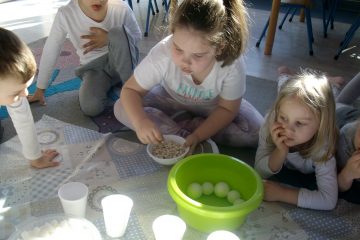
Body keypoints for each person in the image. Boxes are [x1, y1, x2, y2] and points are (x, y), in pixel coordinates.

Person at [114, 0, 264, 149]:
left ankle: (183, 128)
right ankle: (183, 132)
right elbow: (130, 90)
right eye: (178, 49)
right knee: (121, 107)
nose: (184, 61)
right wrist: (141, 122)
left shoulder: (232, 64)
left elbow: (228, 109)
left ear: (219, 48)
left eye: (198, 55)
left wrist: (199, 135)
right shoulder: (163, 53)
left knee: (257, 133)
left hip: (214, 107)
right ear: (172, 33)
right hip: (171, 99)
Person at [28, 0, 142, 117]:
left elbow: (137, 37)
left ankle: (131, 89)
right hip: (94, 69)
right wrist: (40, 88)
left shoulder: (121, 8)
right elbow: (51, 48)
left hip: (123, 61)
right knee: (90, 107)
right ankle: (112, 84)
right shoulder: (66, 14)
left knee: (118, 33)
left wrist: (109, 38)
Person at [255, 69, 338, 210]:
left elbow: (329, 200)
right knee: (285, 90)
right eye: (283, 118)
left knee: (336, 101)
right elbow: (259, 171)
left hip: (341, 115)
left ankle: (333, 84)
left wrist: (282, 194)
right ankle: (284, 75)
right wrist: (280, 152)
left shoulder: (323, 146)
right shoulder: (271, 122)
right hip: (286, 101)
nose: (287, 129)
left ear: (321, 125)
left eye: (299, 123)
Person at [0, 27, 59, 169]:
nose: (25, 94)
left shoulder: (13, 87)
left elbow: (23, 120)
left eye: (26, 86)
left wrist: (35, 157)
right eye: (15, 93)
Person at [335, 72, 360, 204]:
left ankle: (334, 83)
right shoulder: (346, 143)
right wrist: (347, 174)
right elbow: (335, 188)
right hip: (338, 116)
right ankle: (285, 76)